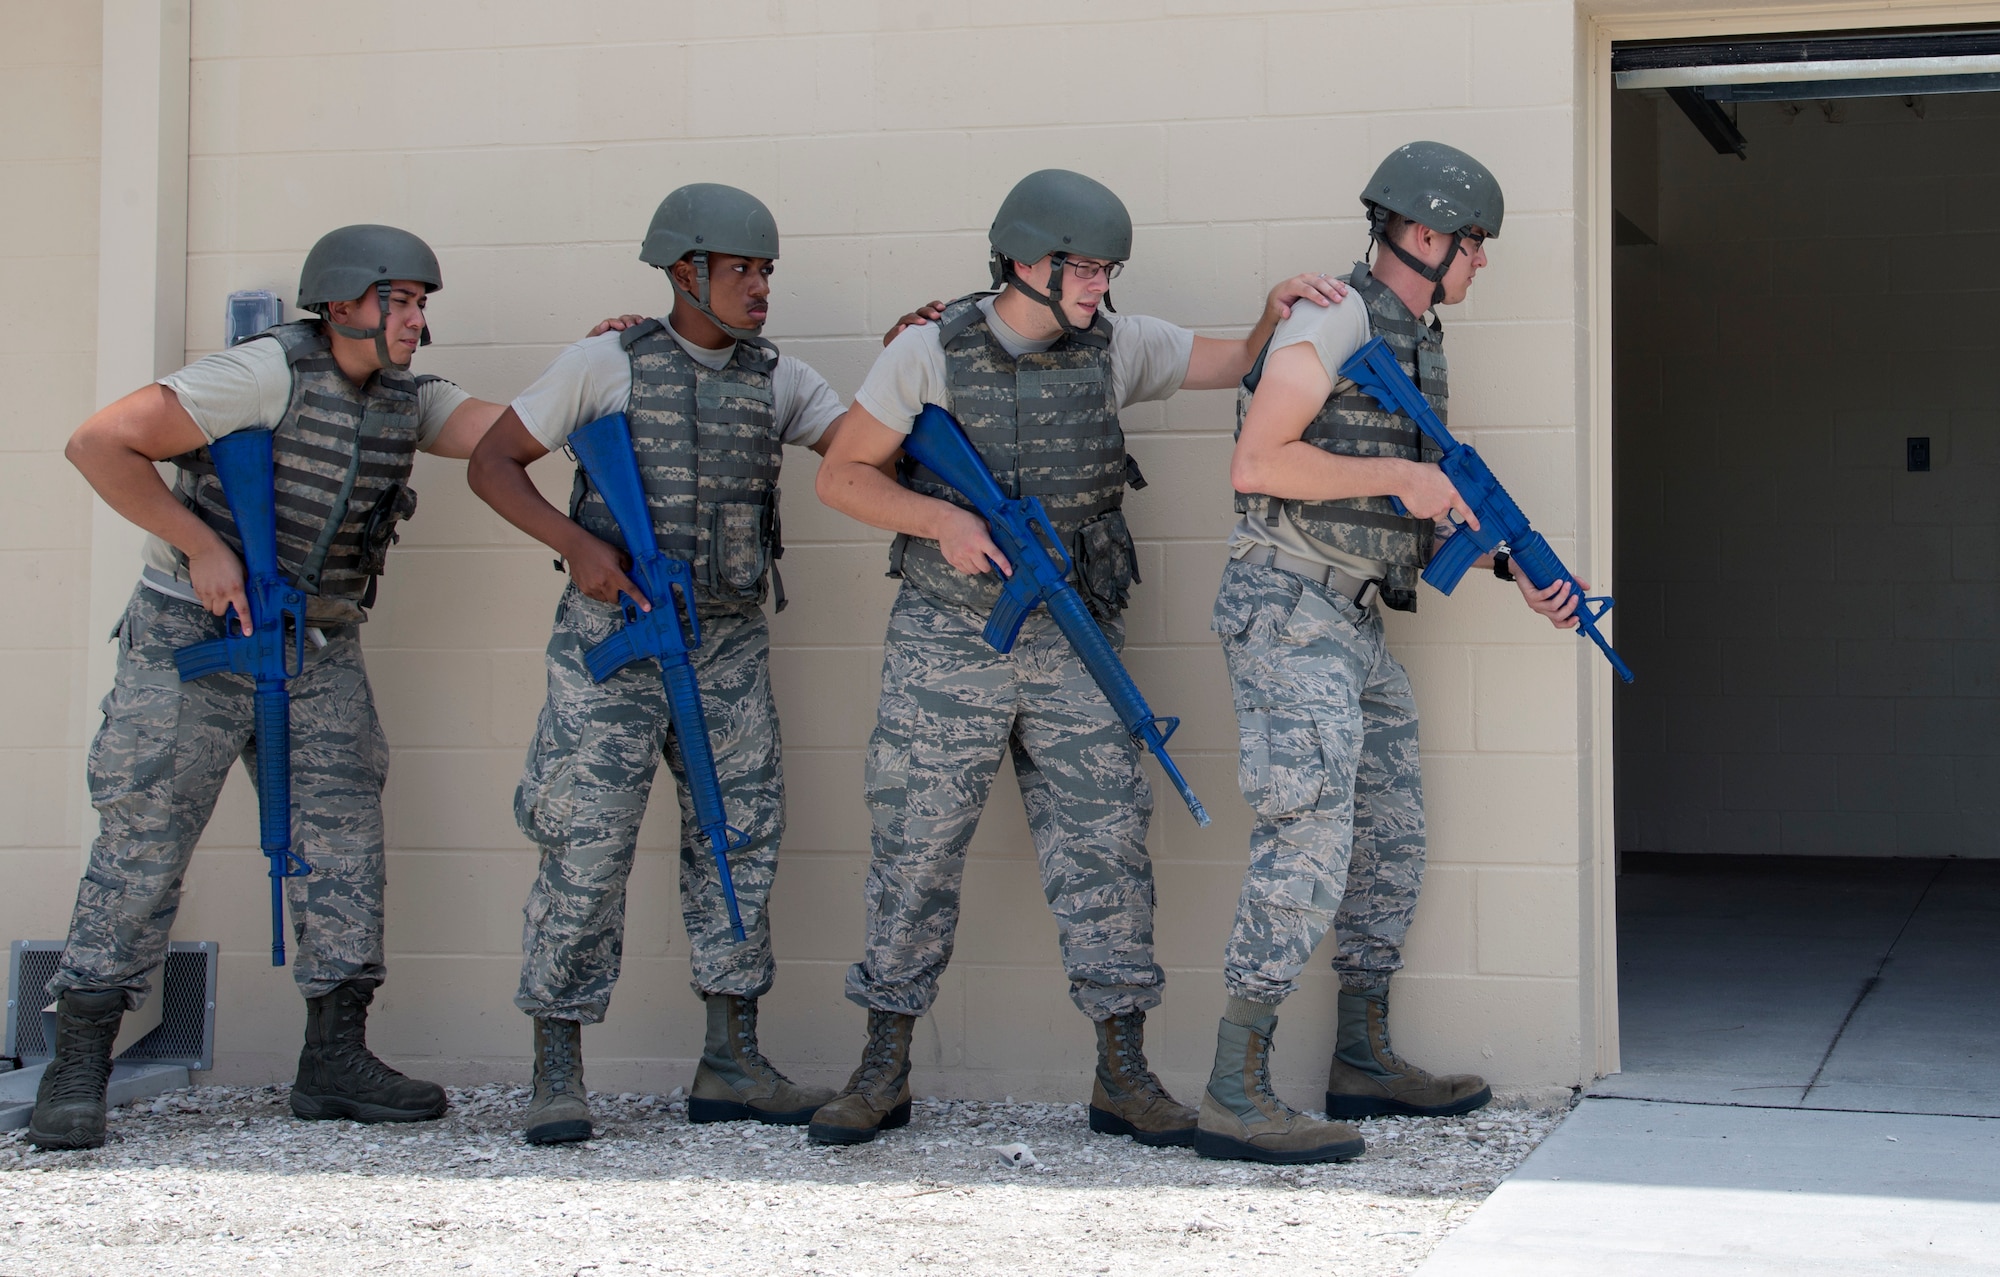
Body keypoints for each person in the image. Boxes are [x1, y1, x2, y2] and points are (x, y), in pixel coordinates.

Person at [808, 169, 1347, 1148]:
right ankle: (880, 1065)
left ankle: (1122, 1073)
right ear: (1026, 262)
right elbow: (841, 473)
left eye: (1107, 268)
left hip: (1076, 637)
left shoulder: (1118, 344)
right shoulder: (925, 352)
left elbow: (1228, 362)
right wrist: (939, 518)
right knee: (914, 846)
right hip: (947, 638)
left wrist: (1268, 317)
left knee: (1105, 848)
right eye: (1086, 267)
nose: (1101, 285)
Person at [31, 225, 558, 1150]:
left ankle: (334, 1058)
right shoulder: (260, 374)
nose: (416, 317)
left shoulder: (409, 400)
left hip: (315, 642)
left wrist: (604, 363)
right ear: (346, 302)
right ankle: (78, 1064)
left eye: (422, 302)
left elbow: (514, 434)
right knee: (144, 840)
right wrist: (202, 546)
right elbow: (99, 443)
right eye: (401, 299)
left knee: (345, 836)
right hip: (195, 636)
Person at [470, 184, 885, 1145]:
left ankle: (731, 1057)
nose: (760, 289)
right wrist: (577, 546)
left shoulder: (778, 378)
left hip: (726, 644)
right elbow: (494, 462)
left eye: (767, 271)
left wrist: (916, 355)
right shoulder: (604, 363)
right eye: (742, 270)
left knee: (740, 839)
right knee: (587, 842)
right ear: (684, 272)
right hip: (612, 649)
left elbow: (864, 450)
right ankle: (557, 1065)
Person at [1194, 142, 1584, 1165]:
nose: (1480, 262)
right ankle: (1234, 1083)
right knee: (1307, 833)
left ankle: (1360, 1053)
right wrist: (1401, 481)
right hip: (1288, 607)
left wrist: (1515, 568)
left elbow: (1410, 494)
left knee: (1391, 830)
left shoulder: (1412, 337)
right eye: (1471, 243)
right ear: (1420, 235)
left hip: (1351, 618)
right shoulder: (1336, 317)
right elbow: (1257, 460)